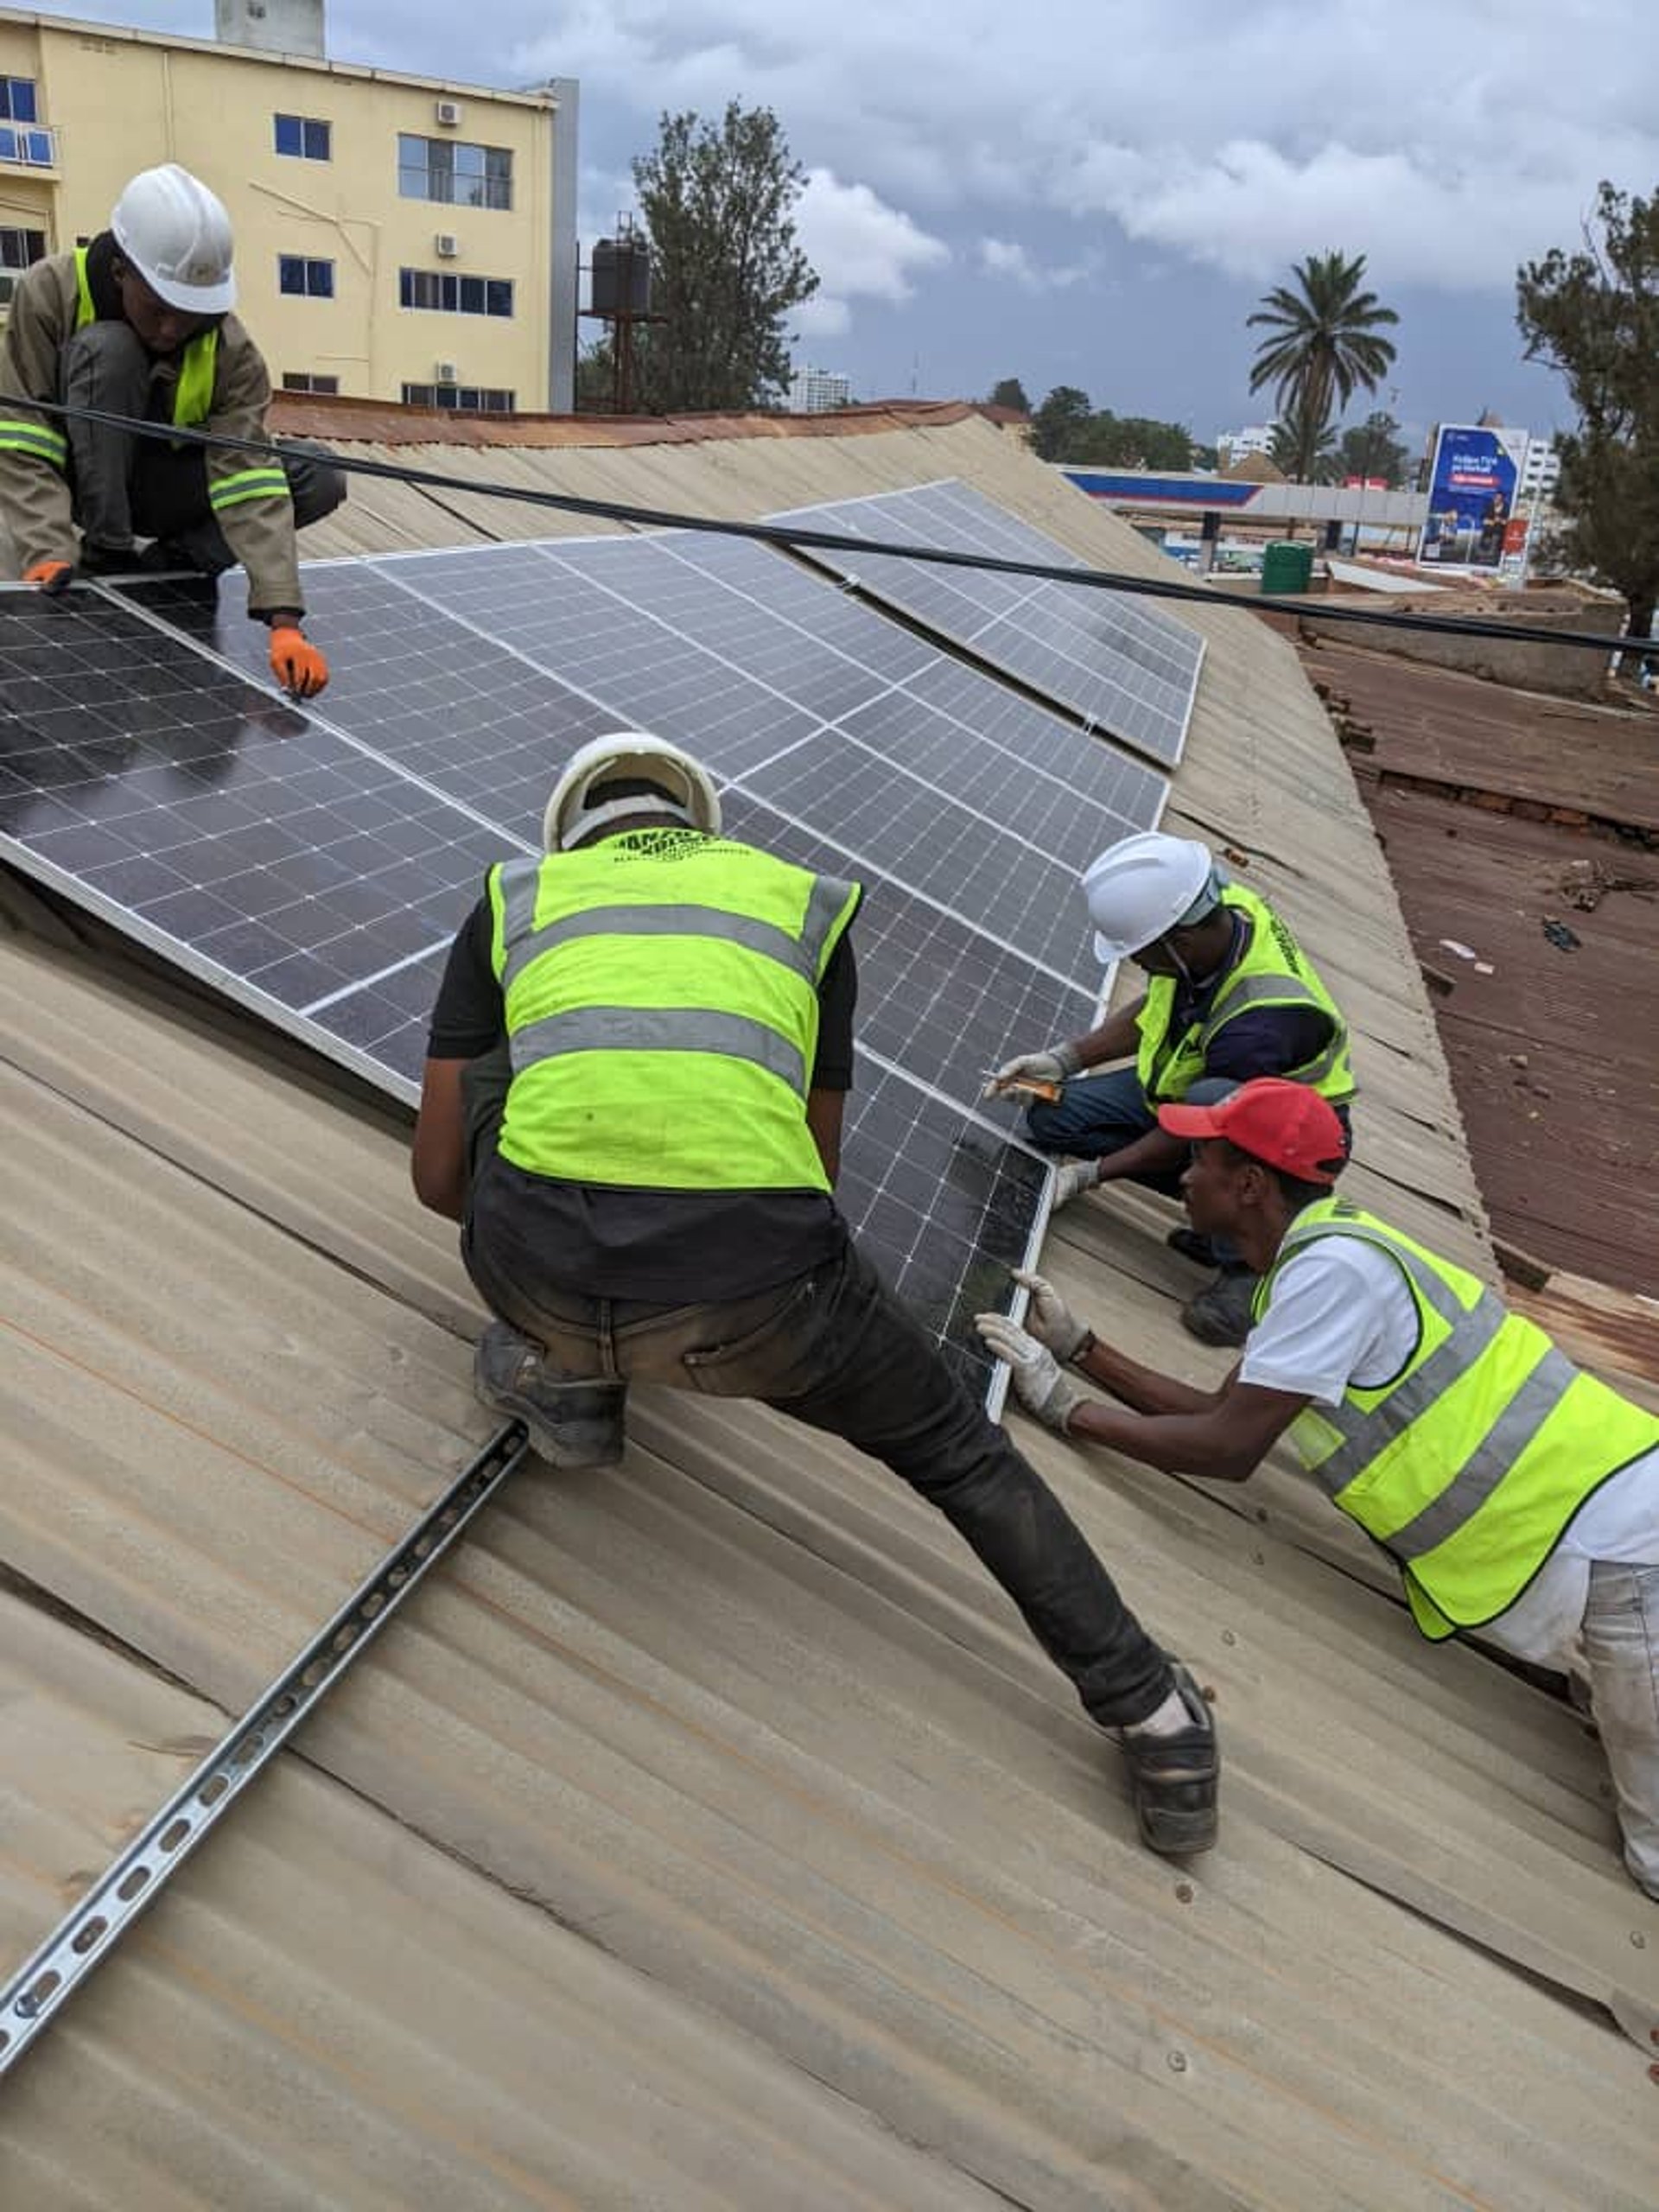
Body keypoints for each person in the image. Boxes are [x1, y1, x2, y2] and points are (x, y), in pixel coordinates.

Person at [410, 729, 1220, 1857]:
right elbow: (817, 1168)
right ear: (699, 825)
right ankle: (1158, 1721)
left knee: (509, 1088)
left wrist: (561, 1265)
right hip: (763, 1298)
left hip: (533, 1270)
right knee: (958, 1455)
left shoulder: (514, 900)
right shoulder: (804, 908)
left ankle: (571, 1369)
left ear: (570, 834)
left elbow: (438, 1179)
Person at [975, 1077, 1659, 1902]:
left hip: (1628, 1546)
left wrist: (1065, 1410)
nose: (1184, 1178)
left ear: (1250, 1185)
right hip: (1595, 1535)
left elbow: (1229, 1447)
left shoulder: (1333, 1276)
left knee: (1653, 1858)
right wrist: (1084, 1348)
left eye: (1202, 1161)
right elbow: (1228, 1411)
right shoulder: (1320, 1261)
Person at [984, 831, 1355, 1349]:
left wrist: (1093, 1176)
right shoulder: (1212, 921)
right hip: (1195, 1094)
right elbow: (1155, 1008)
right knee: (1054, 1117)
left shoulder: (1261, 1023)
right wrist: (1064, 1061)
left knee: (1211, 1115)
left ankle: (1251, 1268)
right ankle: (1216, 1215)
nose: (1135, 963)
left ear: (1176, 943)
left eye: (1139, 953)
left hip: (1290, 1143)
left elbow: (1208, 1123)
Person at [0, 162, 341, 697]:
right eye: (158, 309)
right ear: (120, 270)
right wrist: (46, 550)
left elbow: (247, 478)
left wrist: (284, 621)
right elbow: (23, 436)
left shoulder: (232, 350)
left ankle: (167, 569)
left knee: (314, 473)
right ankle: (104, 555)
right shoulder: (51, 293)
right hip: (76, 488)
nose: (171, 328)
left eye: (187, 313)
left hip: (164, 483)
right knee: (109, 350)